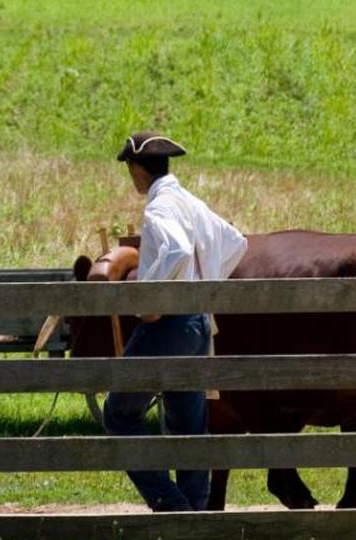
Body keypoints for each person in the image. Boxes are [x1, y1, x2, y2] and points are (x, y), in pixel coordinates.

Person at [104, 131, 248, 512]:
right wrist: (207, 285)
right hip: (199, 323)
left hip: (168, 325)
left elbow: (178, 252)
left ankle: (171, 505)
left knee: (118, 415)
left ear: (137, 169)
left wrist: (151, 301)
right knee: (188, 425)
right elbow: (235, 242)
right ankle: (195, 515)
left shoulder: (159, 207)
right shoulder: (190, 202)